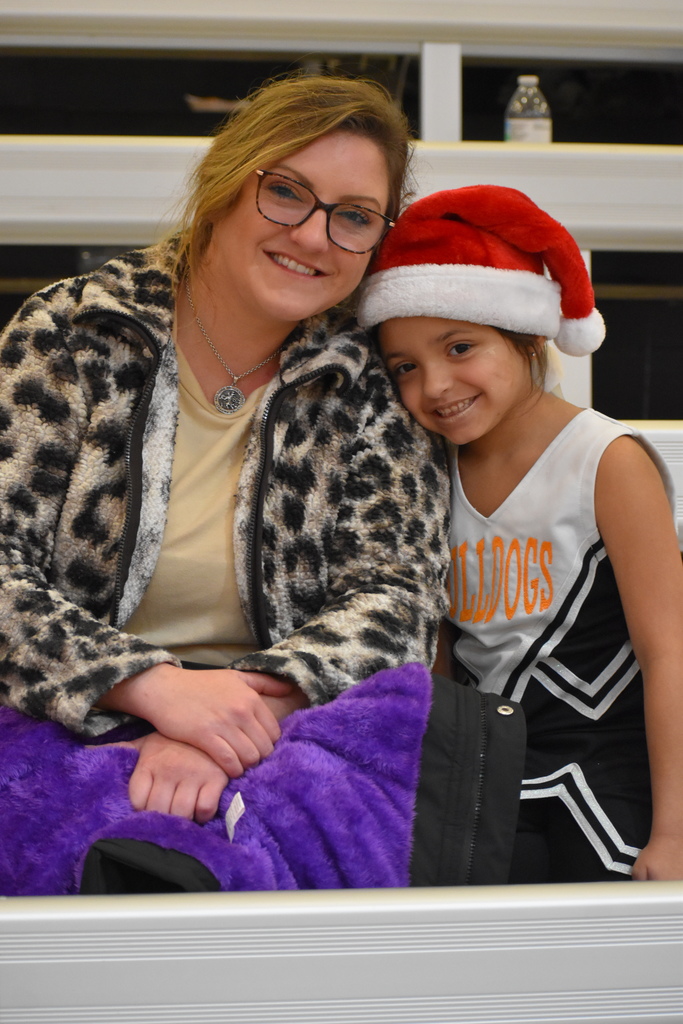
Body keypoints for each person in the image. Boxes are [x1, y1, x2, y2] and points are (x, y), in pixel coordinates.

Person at [0, 73, 450, 828]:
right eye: (285, 193)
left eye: (354, 216)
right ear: (223, 186)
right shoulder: (74, 333)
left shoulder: (363, 378)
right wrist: (150, 688)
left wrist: (225, 724)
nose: (313, 235)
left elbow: (397, 597)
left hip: (283, 725)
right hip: (64, 709)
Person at [357, 184, 683, 882]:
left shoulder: (606, 460)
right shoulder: (424, 471)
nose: (435, 385)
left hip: (610, 780)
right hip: (489, 782)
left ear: (527, 334)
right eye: (405, 368)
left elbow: (669, 652)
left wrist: (675, 832)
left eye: (460, 346)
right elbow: (442, 654)